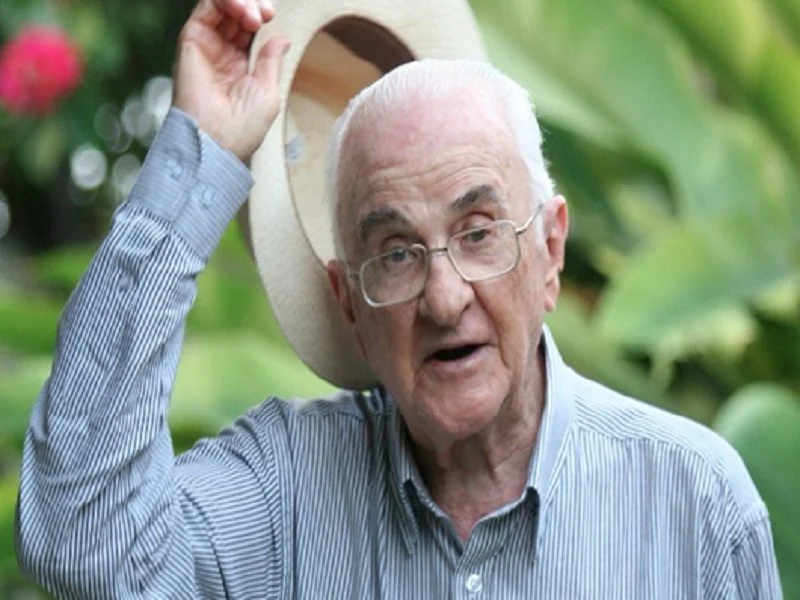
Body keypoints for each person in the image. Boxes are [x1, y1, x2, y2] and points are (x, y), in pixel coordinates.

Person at [15, 0, 782, 597]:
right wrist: (201, 151)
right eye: (395, 253)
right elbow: (81, 536)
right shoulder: (283, 491)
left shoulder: (695, 500)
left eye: (479, 233)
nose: (444, 300)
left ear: (550, 251)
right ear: (348, 303)